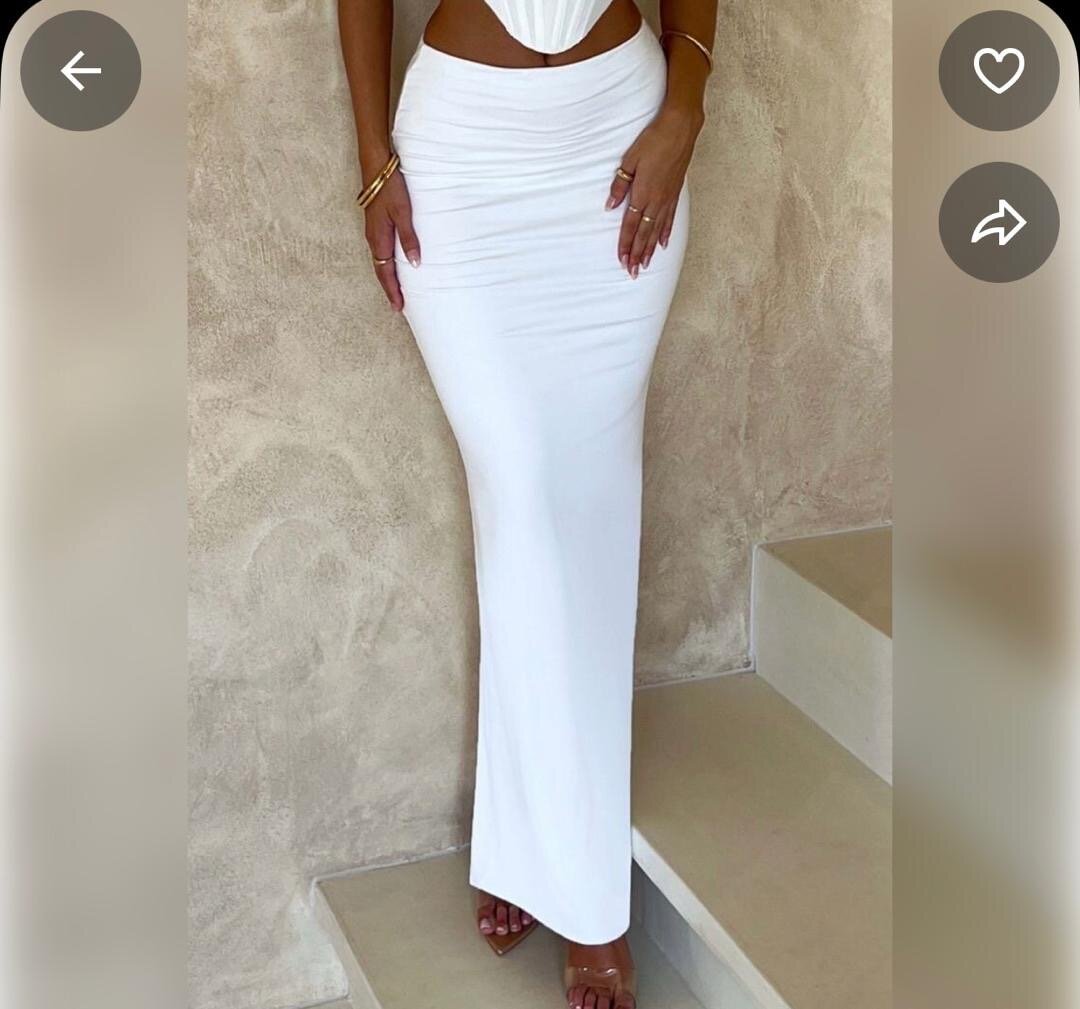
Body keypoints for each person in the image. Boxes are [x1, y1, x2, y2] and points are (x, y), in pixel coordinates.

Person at [337, 1, 716, 1005]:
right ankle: (575, 887)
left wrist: (685, 110)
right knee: (526, 504)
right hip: (465, 154)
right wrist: (374, 160)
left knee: (579, 510)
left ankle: (544, 858)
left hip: (620, 141)